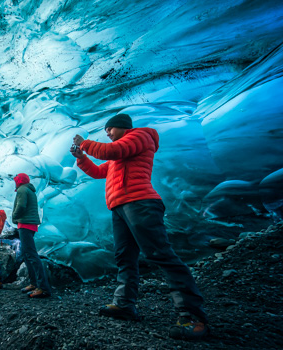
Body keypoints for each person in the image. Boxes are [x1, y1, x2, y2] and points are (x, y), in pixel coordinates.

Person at [70, 113, 209, 340]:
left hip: (140, 203)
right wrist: (81, 157)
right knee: (125, 256)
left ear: (123, 127)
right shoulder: (121, 154)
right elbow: (98, 172)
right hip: (120, 207)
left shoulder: (140, 137)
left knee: (160, 254)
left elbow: (111, 150)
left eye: (110, 129)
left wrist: (83, 143)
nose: (107, 133)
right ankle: (124, 304)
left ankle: (193, 317)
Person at [12, 173, 51, 298]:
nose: (15, 182)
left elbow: (21, 206)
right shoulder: (29, 190)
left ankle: (43, 288)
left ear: (19, 180)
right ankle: (34, 283)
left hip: (25, 224)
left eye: (16, 180)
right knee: (27, 254)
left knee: (32, 255)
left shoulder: (22, 189)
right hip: (28, 225)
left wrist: (14, 217)